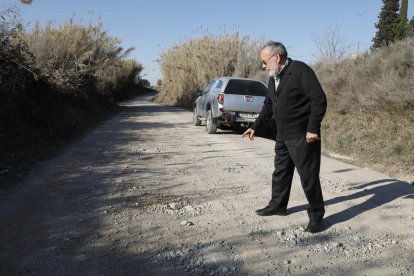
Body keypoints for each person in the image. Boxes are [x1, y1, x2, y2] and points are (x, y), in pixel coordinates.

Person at [242, 41, 327, 233]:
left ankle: (316, 216)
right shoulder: (274, 77)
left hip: (303, 135)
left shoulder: (300, 71)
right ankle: (277, 206)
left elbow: (319, 99)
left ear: (276, 57)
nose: (263, 66)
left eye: (264, 62)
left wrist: (313, 127)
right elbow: (268, 106)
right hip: (282, 135)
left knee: (308, 177)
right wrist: (255, 126)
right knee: (280, 172)